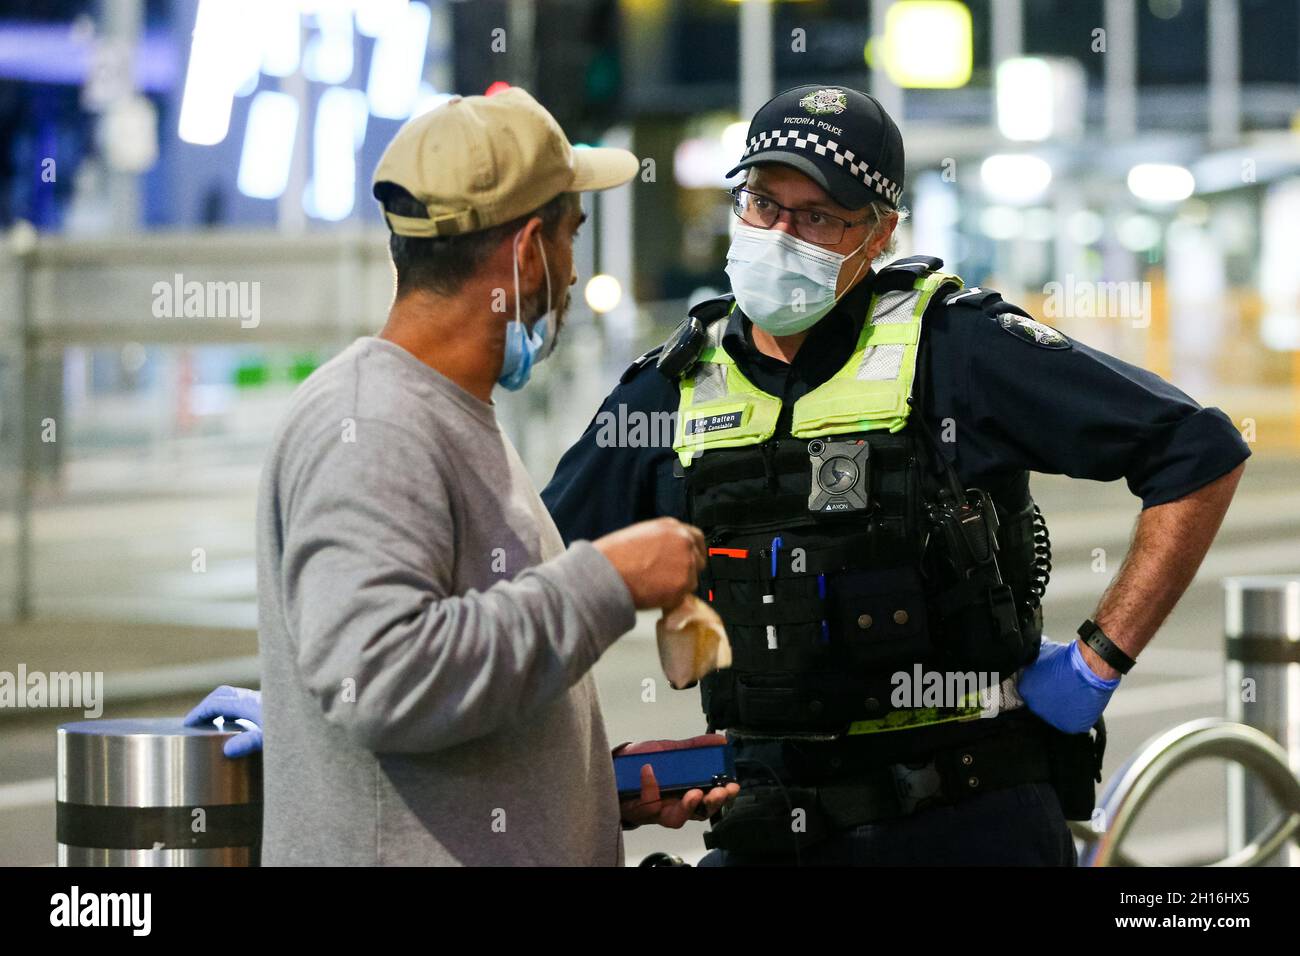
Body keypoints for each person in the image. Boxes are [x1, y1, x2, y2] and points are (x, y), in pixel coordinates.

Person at [539, 84, 1250, 865]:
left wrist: (1095, 661)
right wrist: (599, 774)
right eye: (762, 203)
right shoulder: (669, 388)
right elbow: (536, 590)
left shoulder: (957, 348)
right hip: (770, 828)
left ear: (878, 234)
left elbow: (1197, 451)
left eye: (817, 218)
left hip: (970, 825)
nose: (779, 234)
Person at [187, 87, 737, 866]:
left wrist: (573, 787)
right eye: (571, 237)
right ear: (525, 253)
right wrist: (608, 580)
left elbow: (453, 690)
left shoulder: (447, 411)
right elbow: (380, 679)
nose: (575, 275)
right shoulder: (372, 426)